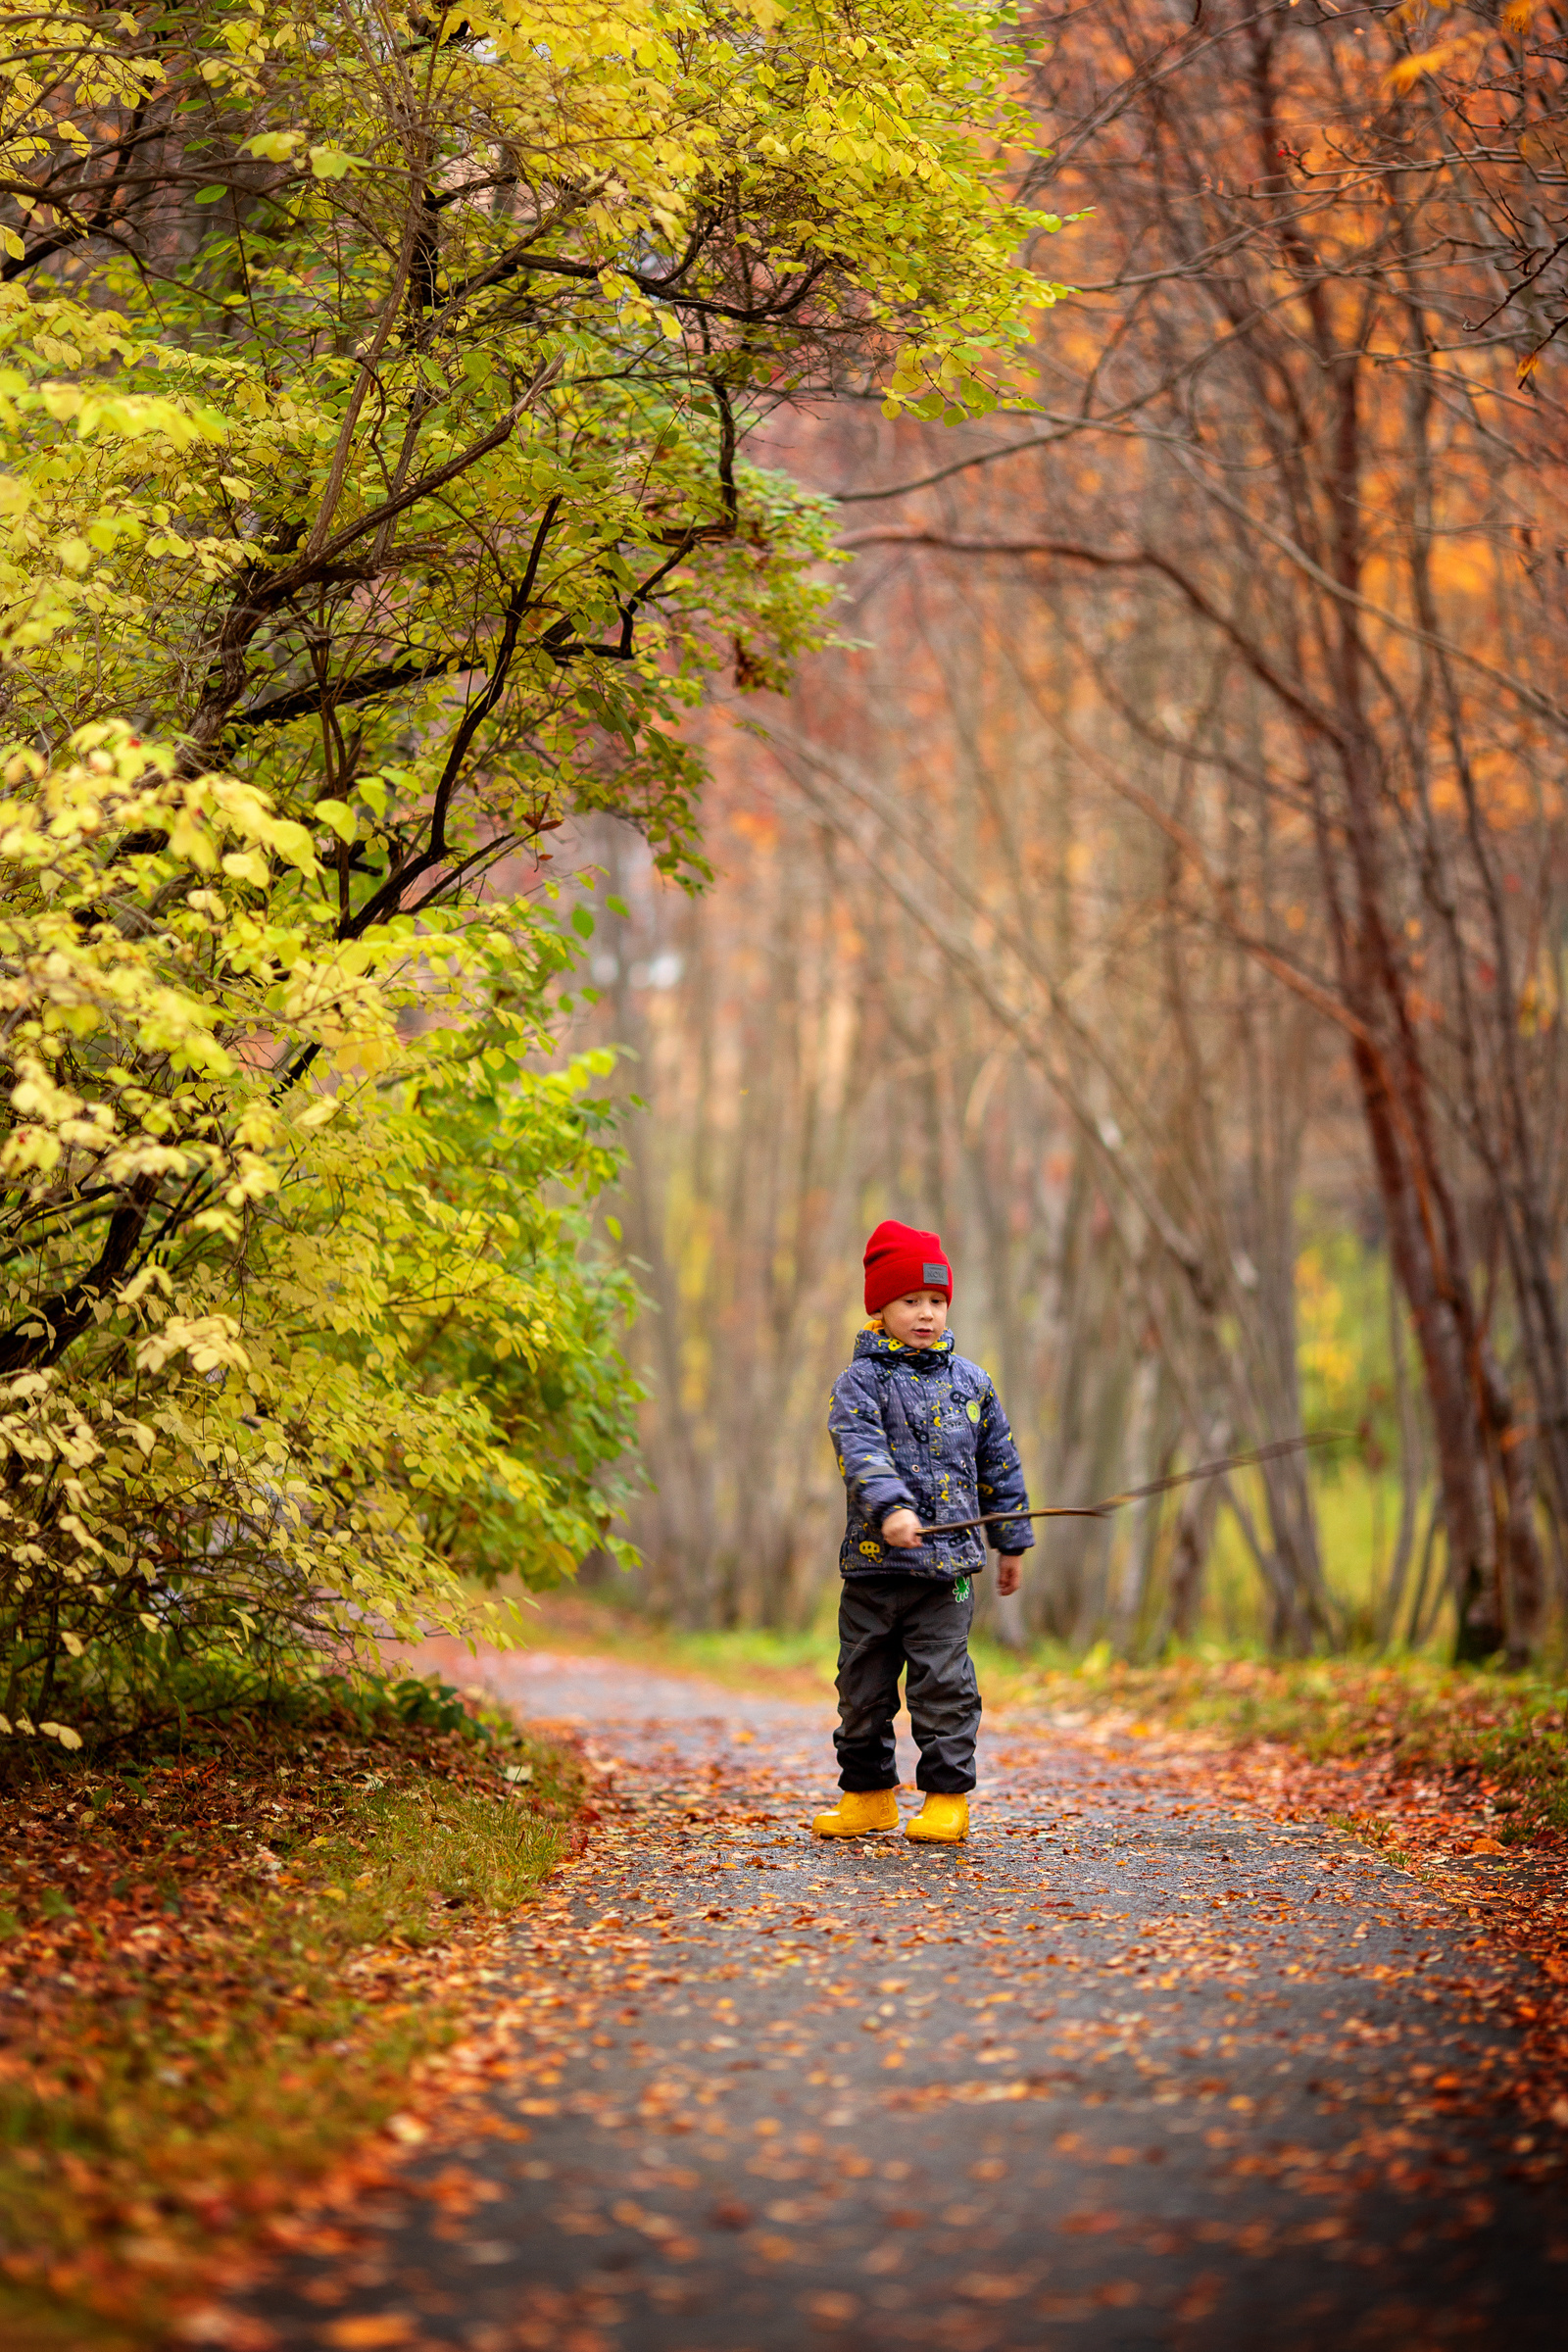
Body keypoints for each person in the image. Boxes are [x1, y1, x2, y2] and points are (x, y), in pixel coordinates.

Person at [811, 1219, 1034, 1845]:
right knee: (861, 1689)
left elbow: (1000, 1465)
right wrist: (891, 1509)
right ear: (880, 1308)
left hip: (945, 1577)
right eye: (911, 1300)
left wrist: (1011, 1542)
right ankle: (868, 1797)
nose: (927, 1313)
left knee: (945, 1687)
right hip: (874, 1571)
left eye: (936, 1300)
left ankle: (945, 1800)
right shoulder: (860, 1383)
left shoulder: (973, 1384)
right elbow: (860, 1451)